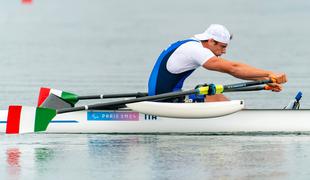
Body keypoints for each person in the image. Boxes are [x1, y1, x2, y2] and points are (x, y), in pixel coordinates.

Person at [148, 24, 287, 102]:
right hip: (163, 100)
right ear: (210, 41)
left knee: (211, 91)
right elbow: (233, 68)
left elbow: (234, 69)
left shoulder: (191, 44)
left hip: (163, 95)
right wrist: (268, 73)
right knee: (215, 96)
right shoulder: (195, 49)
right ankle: (247, 123)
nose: (224, 51)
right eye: (222, 46)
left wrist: (265, 80)